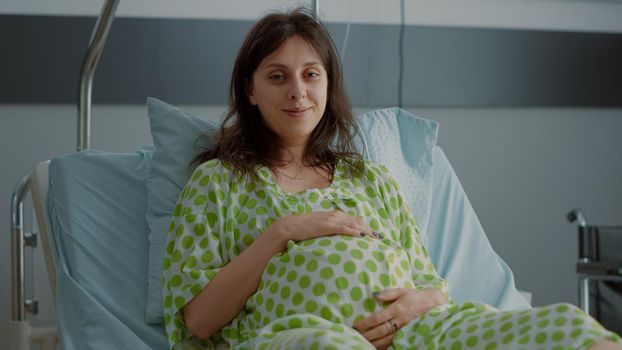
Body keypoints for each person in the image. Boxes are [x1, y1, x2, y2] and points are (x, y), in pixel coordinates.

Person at [162, 7, 622, 350]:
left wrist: (419, 305)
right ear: (251, 89)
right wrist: (283, 233)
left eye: (311, 75)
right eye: (278, 76)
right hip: (300, 337)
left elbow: (432, 283)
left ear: (327, 84)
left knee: (568, 328)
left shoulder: (370, 179)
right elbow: (198, 320)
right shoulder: (218, 183)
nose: (298, 91)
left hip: (419, 333)